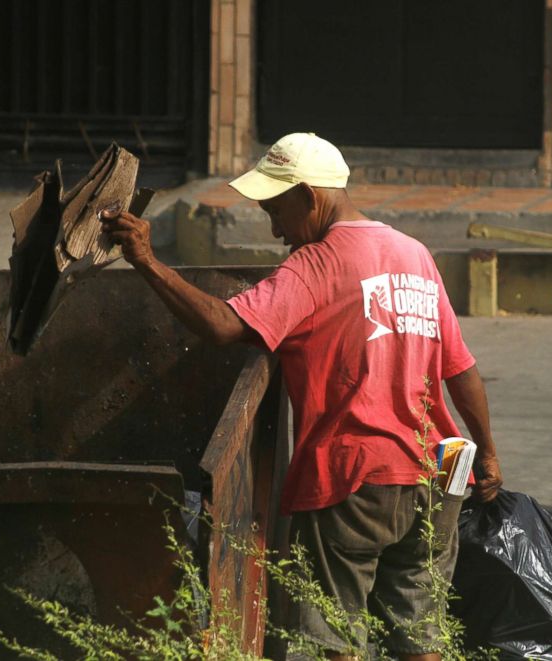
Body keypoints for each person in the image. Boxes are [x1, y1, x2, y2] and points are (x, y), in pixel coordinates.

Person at [101, 132, 502, 661]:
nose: (276, 231)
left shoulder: (315, 266)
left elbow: (224, 325)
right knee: (419, 639)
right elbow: (463, 371)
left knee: (337, 639)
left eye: (276, 211)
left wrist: (149, 262)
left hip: (353, 478)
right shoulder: (416, 254)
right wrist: (488, 452)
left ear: (311, 197)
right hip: (435, 474)